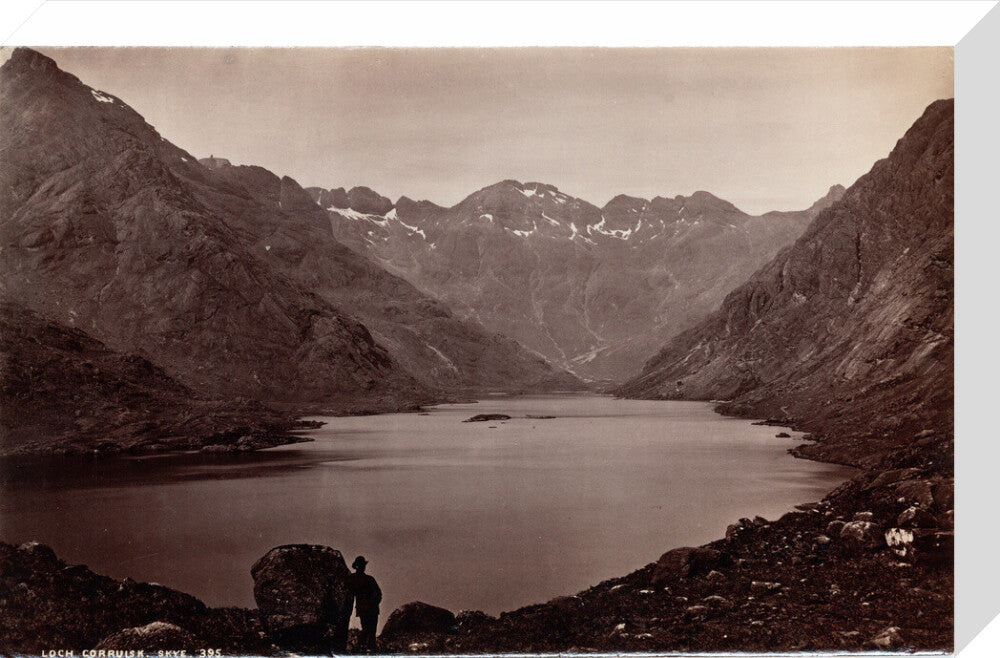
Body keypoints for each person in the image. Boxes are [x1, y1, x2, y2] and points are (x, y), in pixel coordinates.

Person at [348, 555, 382, 654]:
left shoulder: (365, 579)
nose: (363, 567)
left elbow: (379, 593)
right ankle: (361, 649)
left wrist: (375, 602)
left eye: (363, 565)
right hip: (367, 609)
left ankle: (364, 649)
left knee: (370, 631)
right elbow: (379, 593)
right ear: (358, 566)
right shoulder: (355, 578)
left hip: (369, 608)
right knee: (368, 629)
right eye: (361, 565)